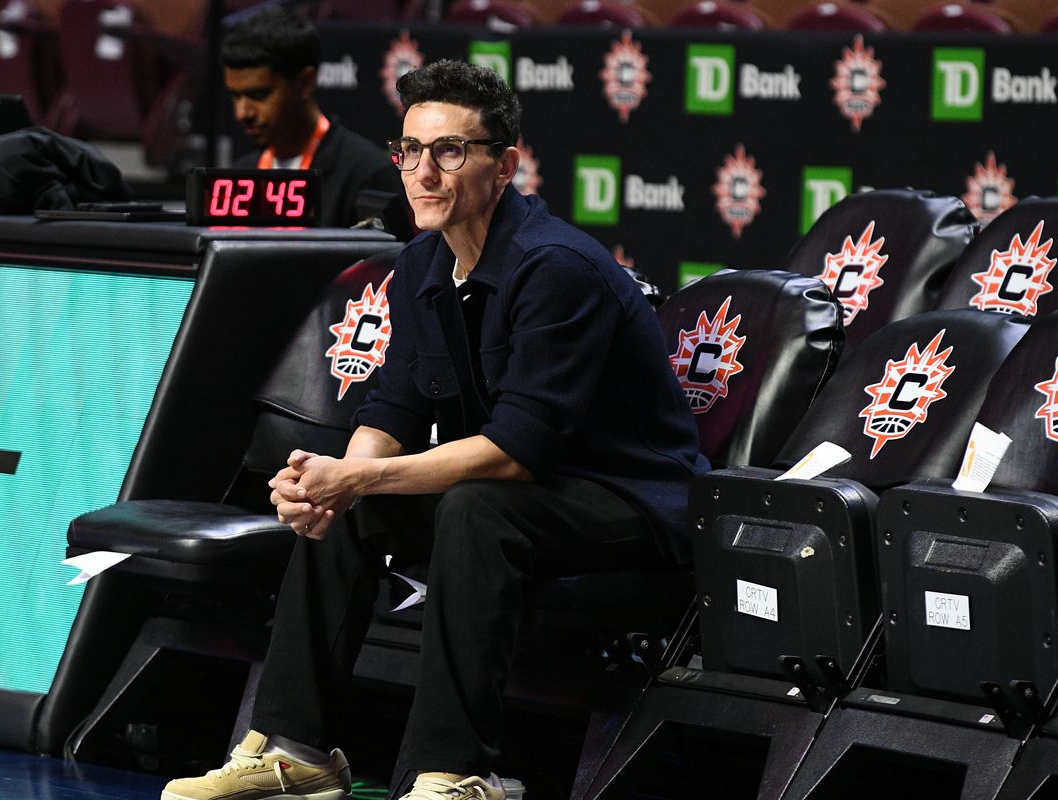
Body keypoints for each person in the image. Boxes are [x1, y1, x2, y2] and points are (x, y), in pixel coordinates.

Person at [162, 59, 707, 800]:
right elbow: (392, 408)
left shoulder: (556, 269)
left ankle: (450, 772)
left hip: (632, 498)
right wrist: (331, 490)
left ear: (504, 164)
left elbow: (516, 454)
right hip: (531, 490)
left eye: (449, 151)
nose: (423, 171)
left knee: (476, 507)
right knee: (354, 506)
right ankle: (296, 751)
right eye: (410, 151)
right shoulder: (422, 260)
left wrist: (356, 477)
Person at [220, 5, 410, 235]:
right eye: (236, 96)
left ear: (305, 82)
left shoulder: (368, 175)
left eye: (259, 95)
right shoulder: (239, 176)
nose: (242, 113)